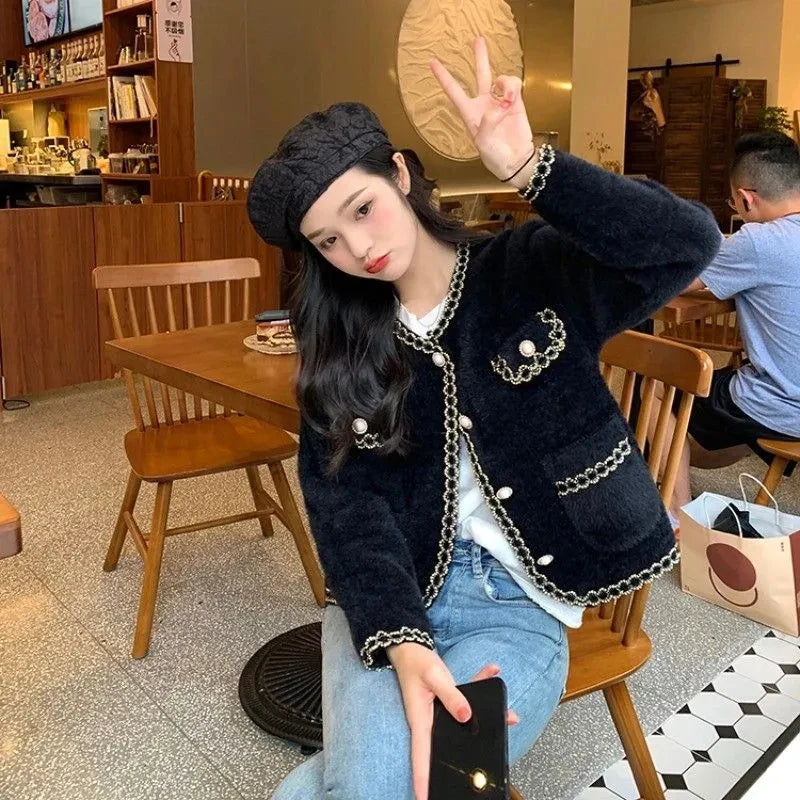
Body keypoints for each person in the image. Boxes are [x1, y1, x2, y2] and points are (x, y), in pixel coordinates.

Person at [247, 37, 720, 800]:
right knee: (387, 788)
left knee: (390, 787)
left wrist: (530, 166)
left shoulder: (527, 271)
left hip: (519, 606)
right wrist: (403, 644)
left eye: (363, 209)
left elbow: (687, 243)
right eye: (327, 240)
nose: (358, 247)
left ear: (400, 175)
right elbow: (345, 505)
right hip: (389, 597)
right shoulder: (342, 345)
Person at [668, 131, 800, 513]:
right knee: (728, 380)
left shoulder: (757, 241)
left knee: (659, 381)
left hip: (783, 406)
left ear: (745, 198)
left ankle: (678, 514)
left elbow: (679, 280)